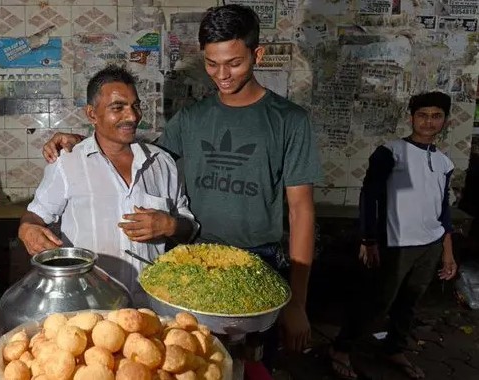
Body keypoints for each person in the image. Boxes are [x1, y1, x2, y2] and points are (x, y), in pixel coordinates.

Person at [41, 4, 322, 358]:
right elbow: (137, 157)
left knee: (249, 361)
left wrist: (297, 302)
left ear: (258, 54)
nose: (222, 74)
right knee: (193, 357)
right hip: (192, 263)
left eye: (234, 62)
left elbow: (301, 212)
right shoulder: (191, 118)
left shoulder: (289, 121)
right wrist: (81, 141)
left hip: (258, 262)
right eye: (211, 63)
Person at [17, 65, 197, 305]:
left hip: (153, 306)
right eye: (118, 107)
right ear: (92, 114)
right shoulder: (68, 163)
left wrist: (170, 225)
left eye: (135, 106)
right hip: (89, 307)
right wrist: (27, 229)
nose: (132, 116)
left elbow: (189, 229)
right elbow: (35, 216)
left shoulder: (161, 163)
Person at [328, 91, 458, 380]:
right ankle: (341, 348)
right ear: (411, 118)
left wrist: (447, 252)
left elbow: (443, 209)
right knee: (377, 300)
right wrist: (368, 239)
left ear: (445, 121)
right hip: (395, 244)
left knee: (410, 301)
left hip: (430, 245)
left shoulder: (444, 163)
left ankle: (394, 348)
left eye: (436, 116)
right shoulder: (391, 152)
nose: (429, 121)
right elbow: (370, 196)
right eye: (423, 115)